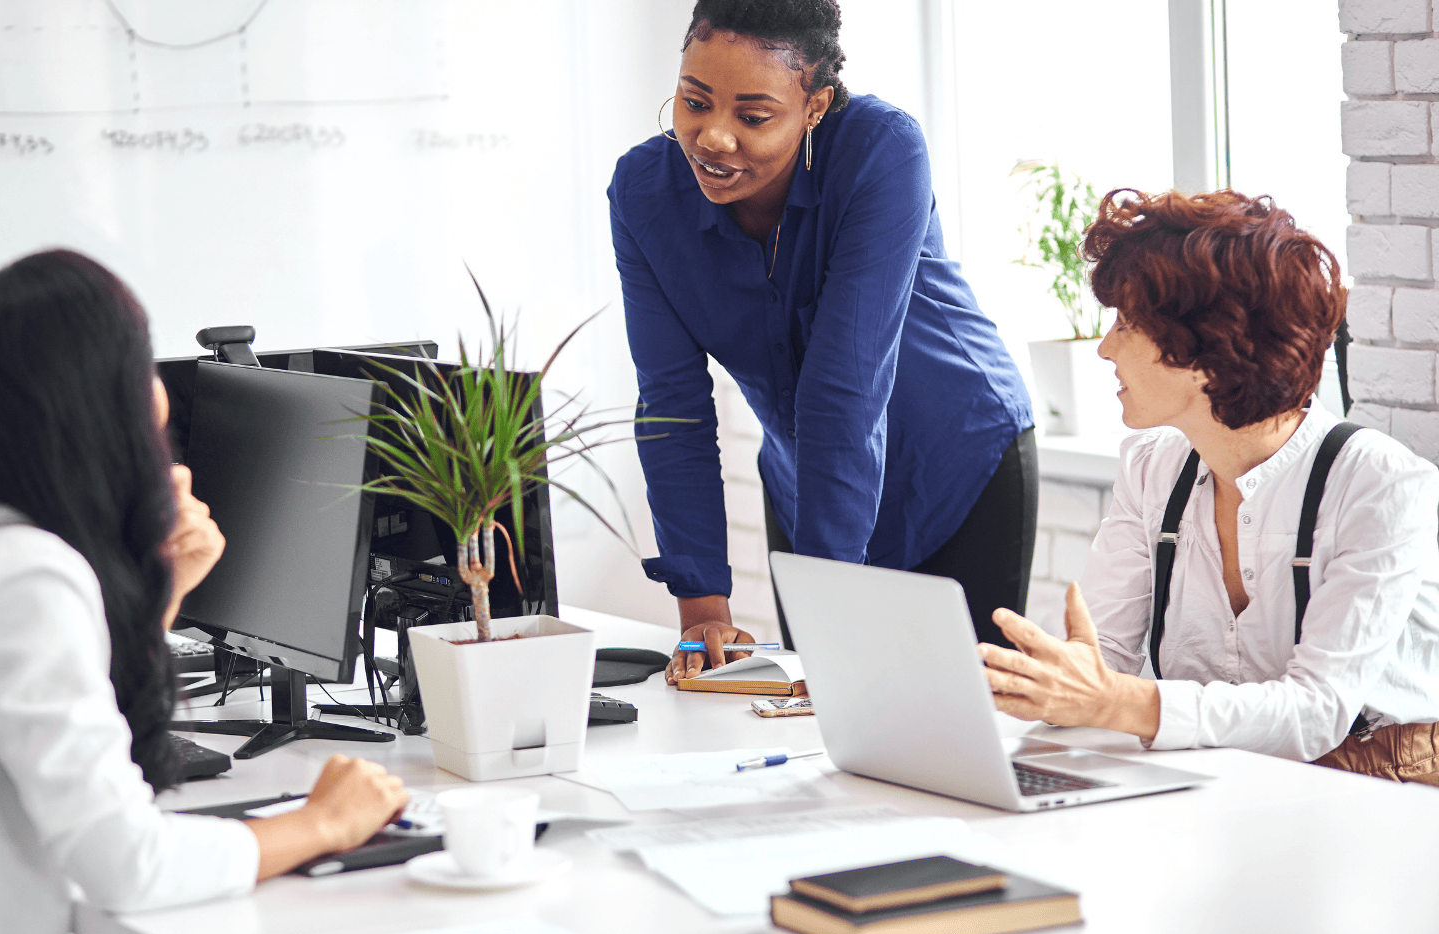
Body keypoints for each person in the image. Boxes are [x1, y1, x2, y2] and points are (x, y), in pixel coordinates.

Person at [0, 250, 410, 934]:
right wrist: (323, 823)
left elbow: (88, 736)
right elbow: (127, 864)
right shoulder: (22, 576)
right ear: (96, 402)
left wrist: (164, 588)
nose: (157, 392)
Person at [609, 0, 1036, 683]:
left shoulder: (881, 151)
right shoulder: (644, 194)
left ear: (814, 106)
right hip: (808, 479)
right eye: (694, 102)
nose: (714, 138)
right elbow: (672, 405)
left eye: (752, 116)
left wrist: (828, 613)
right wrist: (701, 610)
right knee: (830, 722)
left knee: (957, 726)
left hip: (957, 459)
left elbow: (845, 388)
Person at [980, 189, 1439, 784]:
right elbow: (1104, 658)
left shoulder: (1379, 485)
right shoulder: (1151, 466)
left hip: (1382, 791)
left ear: (1207, 350)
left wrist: (1112, 701)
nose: (1104, 348)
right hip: (1232, 779)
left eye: (1126, 324)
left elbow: (1317, 712)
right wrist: (1049, 680)